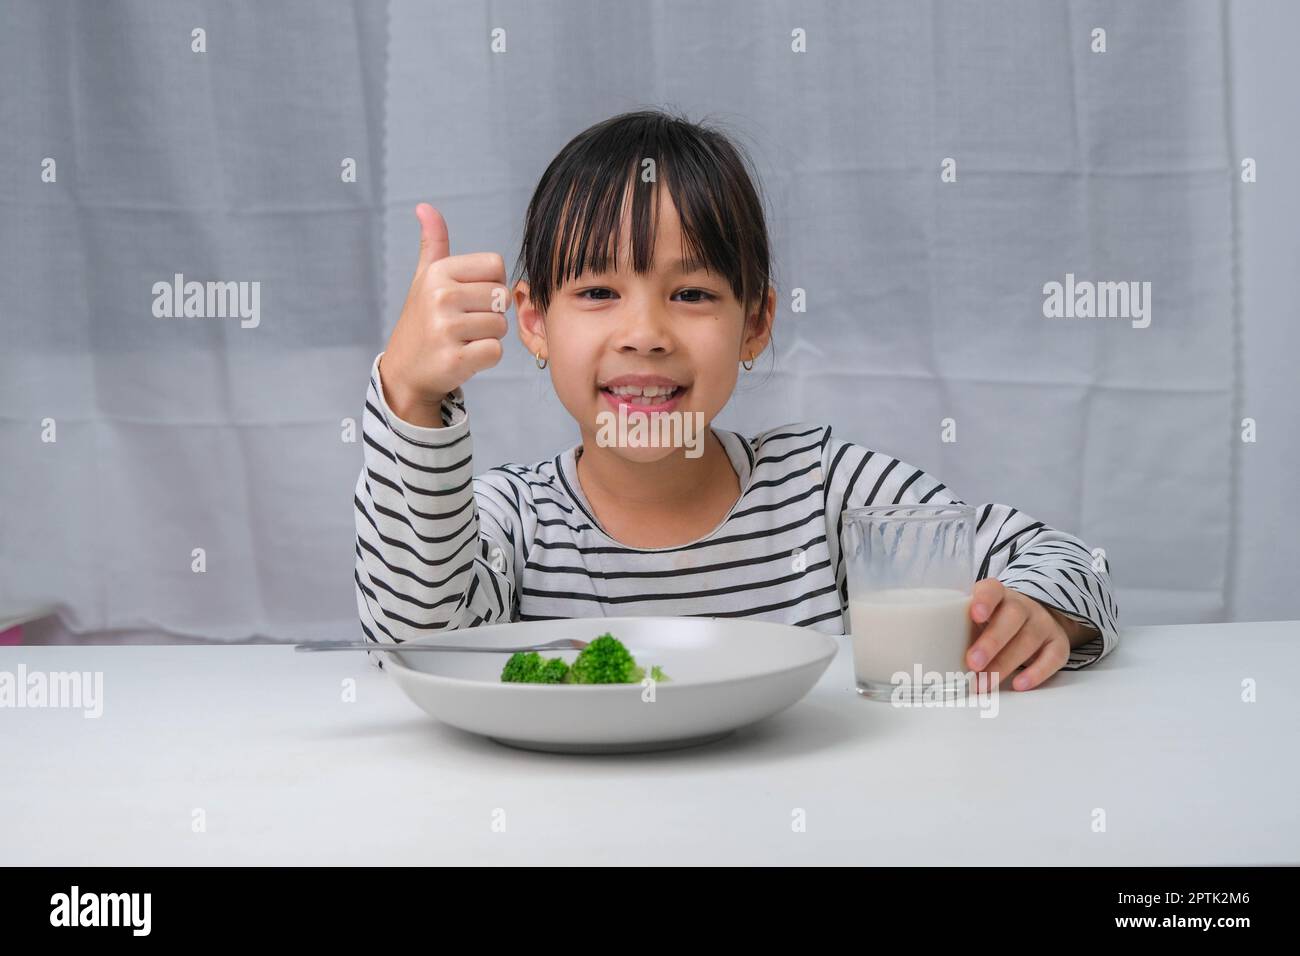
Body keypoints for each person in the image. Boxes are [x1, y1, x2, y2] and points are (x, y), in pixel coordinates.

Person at [353, 109, 1118, 691]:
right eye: (597, 292)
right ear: (533, 321)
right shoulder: (510, 519)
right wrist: (414, 392)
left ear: (753, 324)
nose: (645, 333)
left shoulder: (825, 492)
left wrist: (1036, 610)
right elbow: (418, 642)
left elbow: (1072, 559)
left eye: (690, 293)